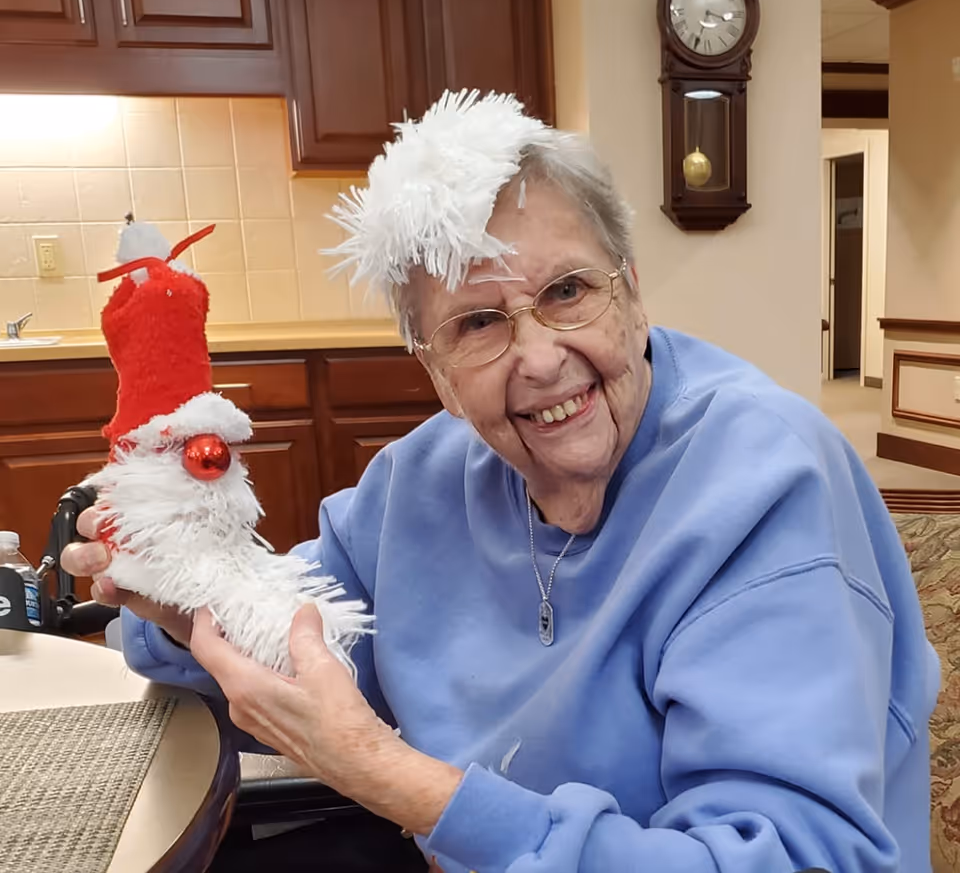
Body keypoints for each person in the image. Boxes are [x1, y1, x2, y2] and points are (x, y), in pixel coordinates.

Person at [64, 90, 937, 873]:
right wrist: (184, 603)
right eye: (478, 322)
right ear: (435, 370)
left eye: (566, 291)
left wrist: (398, 779)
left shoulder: (764, 481)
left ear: (632, 293)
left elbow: (793, 857)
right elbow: (310, 640)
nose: (540, 355)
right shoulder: (420, 477)